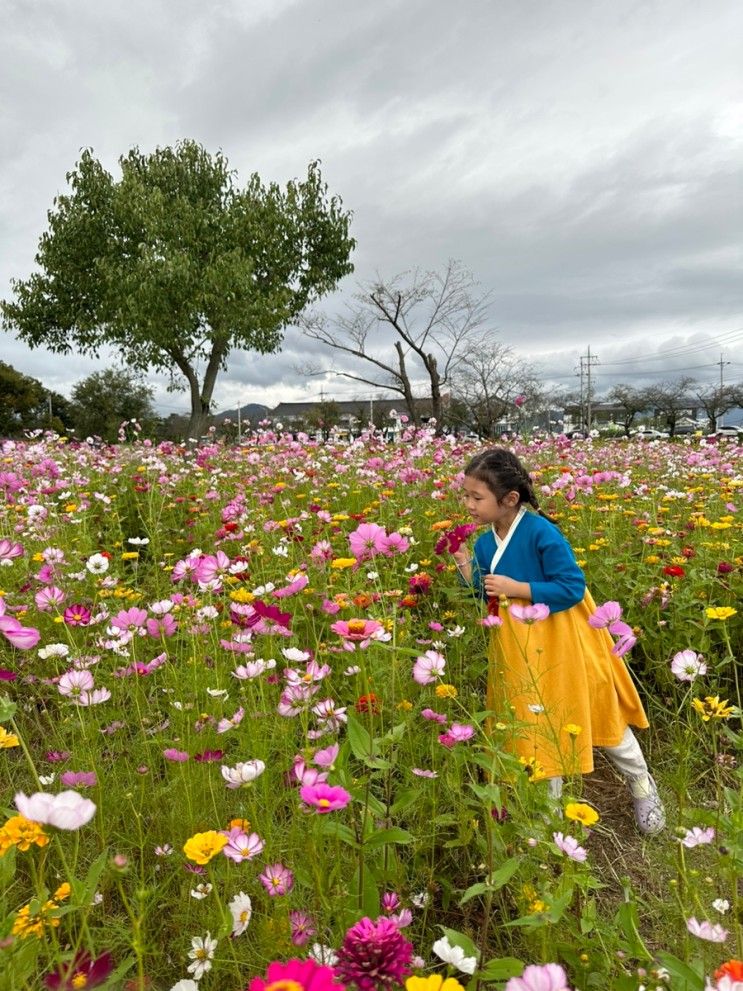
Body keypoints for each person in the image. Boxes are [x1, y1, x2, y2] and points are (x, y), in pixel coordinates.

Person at [452, 448, 665, 835]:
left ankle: (641, 784)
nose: (467, 504)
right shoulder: (485, 543)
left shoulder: (540, 532)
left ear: (510, 499)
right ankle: (549, 820)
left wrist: (518, 588)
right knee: (536, 732)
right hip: (518, 652)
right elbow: (484, 597)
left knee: (599, 716)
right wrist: (464, 564)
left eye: (475, 497)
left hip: (566, 642)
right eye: (464, 495)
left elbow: (571, 586)